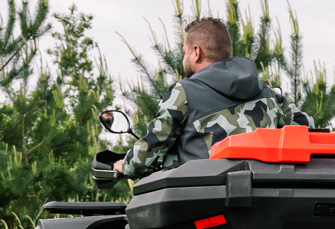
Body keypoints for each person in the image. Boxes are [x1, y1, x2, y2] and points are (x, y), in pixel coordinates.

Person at [117, 16, 312, 179]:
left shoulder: (183, 92)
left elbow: (146, 153)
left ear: (196, 51)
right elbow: (308, 127)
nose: (183, 58)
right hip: (264, 201)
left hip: (205, 204)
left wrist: (122, 166)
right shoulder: (267, 92)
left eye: (184, 52)